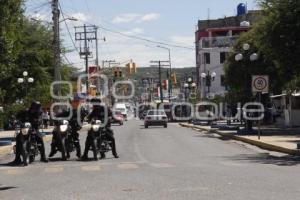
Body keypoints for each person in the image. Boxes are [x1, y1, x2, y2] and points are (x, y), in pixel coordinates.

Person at [12, 101, 48, 165]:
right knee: (18, 139)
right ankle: (17, 158)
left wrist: (39, 121)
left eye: (38, 107)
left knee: (39, 138)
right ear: (32, 107)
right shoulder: (25, 112)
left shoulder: (39, 113)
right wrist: (15, 120)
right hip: (24, 129)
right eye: (36, 107)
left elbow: (40, 119)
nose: (37, 109)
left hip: (34, 129)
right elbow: (17, 116)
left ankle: (43, 156)